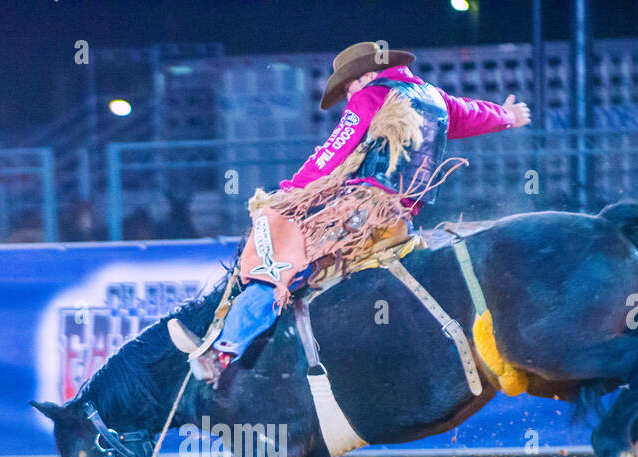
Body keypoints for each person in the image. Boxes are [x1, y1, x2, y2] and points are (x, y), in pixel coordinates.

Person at [205, 41, 531, 377]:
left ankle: (225, 348)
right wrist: (508, 116)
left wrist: (290, 192)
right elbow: (472, 113)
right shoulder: (435, 98)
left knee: (280, 262)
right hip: (402, 214)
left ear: (370, 74)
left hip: (363, 210)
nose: (348, 94)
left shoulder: (373, 95)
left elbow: (334, 151)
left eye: (350, 84)